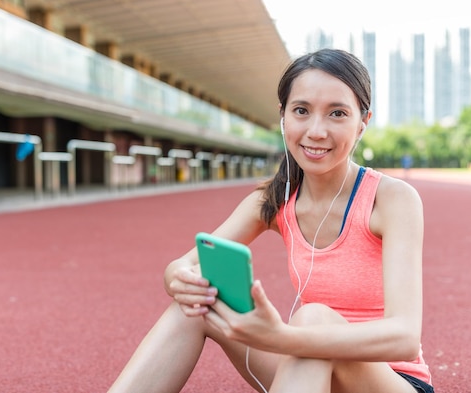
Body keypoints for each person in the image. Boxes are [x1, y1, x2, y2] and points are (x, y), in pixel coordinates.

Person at [108, 49, 433, 393]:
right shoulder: (272, 200)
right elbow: (183, 265)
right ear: (283, 116)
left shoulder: (391, 199)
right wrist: (179, 279)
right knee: (196, 305)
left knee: (313, 319)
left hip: (390, 382)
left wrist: (285, 337)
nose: (316, 130)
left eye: (337, 113)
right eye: (301, 111)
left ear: (363, 122)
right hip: (306, 367)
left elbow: (404, 338)